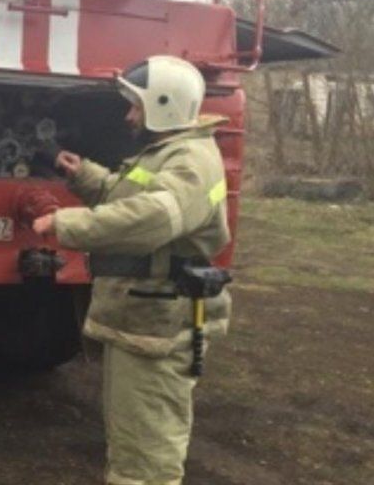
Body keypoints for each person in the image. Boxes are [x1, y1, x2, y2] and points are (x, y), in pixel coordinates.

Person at [32, 55, 232, 485]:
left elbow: (151, 219)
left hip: (157, 323)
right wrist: (84, 175)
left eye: (137, 105)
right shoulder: (170, 152)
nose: (129, 114)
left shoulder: (190, 161)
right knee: (133, 443)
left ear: (164, 105)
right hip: (142, 317)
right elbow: (127, 196)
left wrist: (68, 225)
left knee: (145, 457)